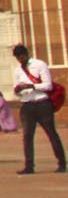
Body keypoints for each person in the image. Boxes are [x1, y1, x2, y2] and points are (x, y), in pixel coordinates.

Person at [10, 43, 65, 175]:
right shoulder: (17, 70)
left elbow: (48, 86)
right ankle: (29, 165)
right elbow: (16, 91)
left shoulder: (39, 65)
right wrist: (18, 90)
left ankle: (62, 163)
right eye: (18, 58)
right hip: (27, 105)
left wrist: (31, 86)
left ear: (26, 54)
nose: (20, 60)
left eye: (22, 56)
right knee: (27, 136)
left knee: (51, 133)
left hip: (42, 103)